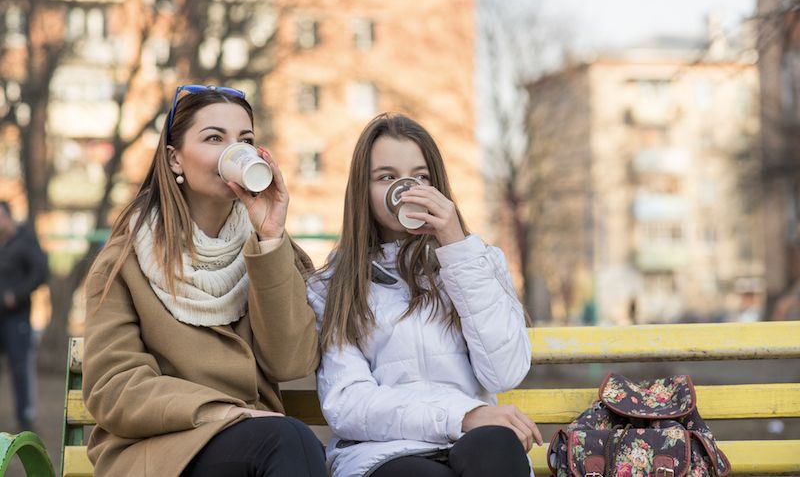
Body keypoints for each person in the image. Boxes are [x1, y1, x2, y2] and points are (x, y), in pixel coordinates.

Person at [82, 85, 327, 477]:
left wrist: (269, 238)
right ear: (174, 160)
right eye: (214, 138)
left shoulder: (273, 251)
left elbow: (291, 362)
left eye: (245, 140)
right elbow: (114, 388)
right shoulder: (123, 263)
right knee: (288, 441)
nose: (235, 151)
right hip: (160, 451)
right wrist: (222, 412)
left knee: (290, 442)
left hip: (257, 443)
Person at [307, 113, 542, 477]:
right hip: (383, 453)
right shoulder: (333, 286)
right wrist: (462, 415)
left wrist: (456, 248)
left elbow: (505, 372)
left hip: (475, 440)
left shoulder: (477, 262)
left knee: (497, 449)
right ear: (362, 191)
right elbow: (348, 404)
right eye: (387, 177)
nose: (407, 190)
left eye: (421, 178)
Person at [0, 200, 48, 432]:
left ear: (9, 218)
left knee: (20, 366)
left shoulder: (25, 241)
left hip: (16, 317)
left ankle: (25, 418)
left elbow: (40, 273)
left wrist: (16, 295)